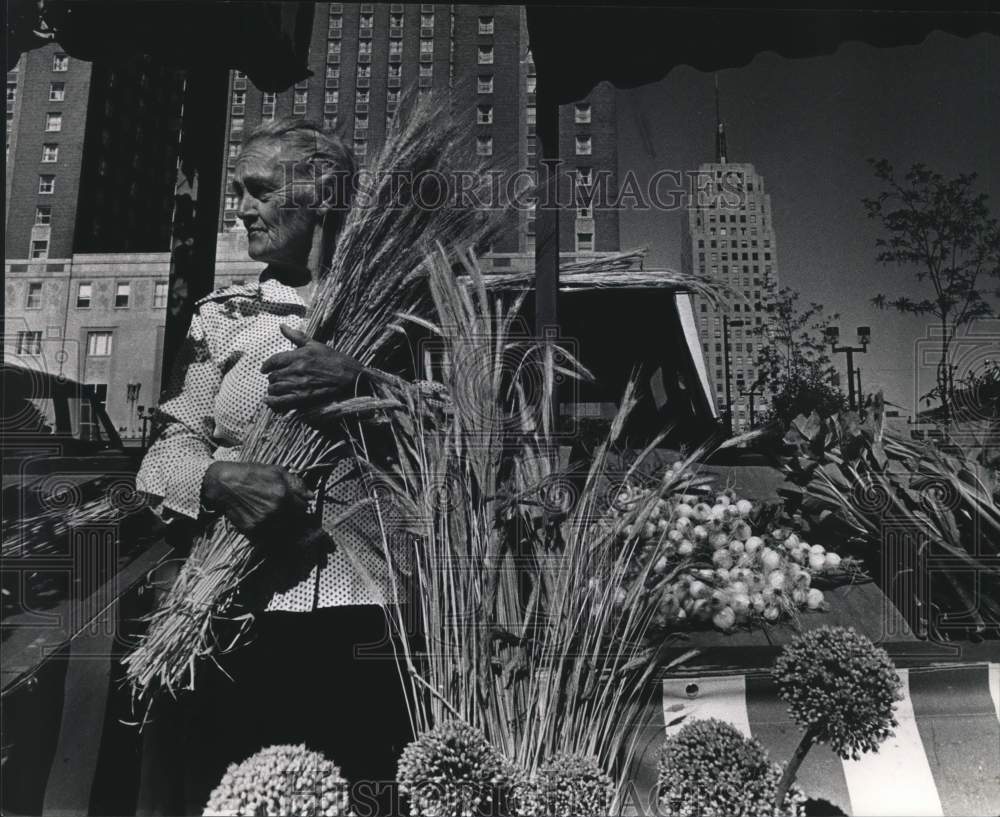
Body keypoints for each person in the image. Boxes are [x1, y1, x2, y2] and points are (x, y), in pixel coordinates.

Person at [135, 118, 414, 817]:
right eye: (236, 192)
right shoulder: (225, 318)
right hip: (236, 616)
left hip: (369, 616)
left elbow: (475, 437)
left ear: (321, 195)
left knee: (362, 795)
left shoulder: (408, 317)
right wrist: (210, 480)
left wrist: (367, 384)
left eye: (257, 191)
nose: (240, 209)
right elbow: (172, 442)